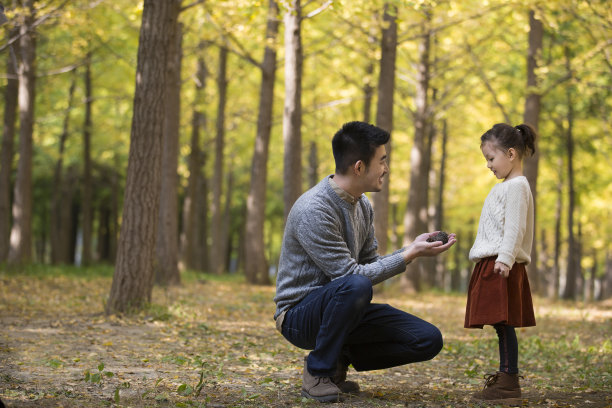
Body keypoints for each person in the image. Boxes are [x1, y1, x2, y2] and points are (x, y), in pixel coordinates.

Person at [273, 121, 456, 402]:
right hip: (299, 315)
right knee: (356, 285)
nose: (386, 168)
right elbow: (349, 276)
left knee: (427, 339)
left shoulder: (362, 204)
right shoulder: (315, 209)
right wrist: (410, 254)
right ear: (359, 167)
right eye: (382, 161)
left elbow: (371, 263)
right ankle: (317, 371)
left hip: (346, 306)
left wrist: (414, 248)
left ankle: (336, 359)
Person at [464, 123, 537, 404]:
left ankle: (508, 381)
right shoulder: (507, 185)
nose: (488, 165)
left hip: (501, 264)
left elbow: (515, 229)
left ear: (511, 154)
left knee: (502, 323)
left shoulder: (517, 186)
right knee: (500, 323)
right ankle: (506, 377)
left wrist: (505, 259)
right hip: (493, 261)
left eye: (491, 159)